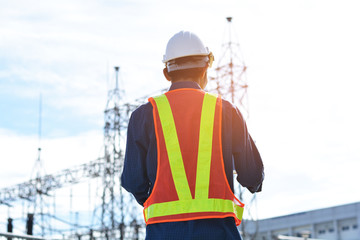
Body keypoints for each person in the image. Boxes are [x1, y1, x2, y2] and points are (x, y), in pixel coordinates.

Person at [121, 31, 264, 240]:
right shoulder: (226, 111)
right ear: (206, 69)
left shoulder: (143, 116)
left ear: (166, 73)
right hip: (219, 233)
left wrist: (157, 198)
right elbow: (252, 176)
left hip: (163, 234)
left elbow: (133, 181)